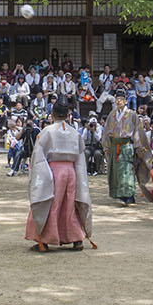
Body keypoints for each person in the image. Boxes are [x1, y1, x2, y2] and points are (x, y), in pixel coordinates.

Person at [24, 100, 94, 252]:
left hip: (53, 170)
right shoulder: (75, 133)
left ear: (52, 114)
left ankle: (47, 239)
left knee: (51, 203)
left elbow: (38, 156)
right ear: (68, 115)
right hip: (71, 170)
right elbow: (81, 157)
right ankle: (76, 238)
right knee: (70, 204)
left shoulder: (47, 131)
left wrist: (38, 176)